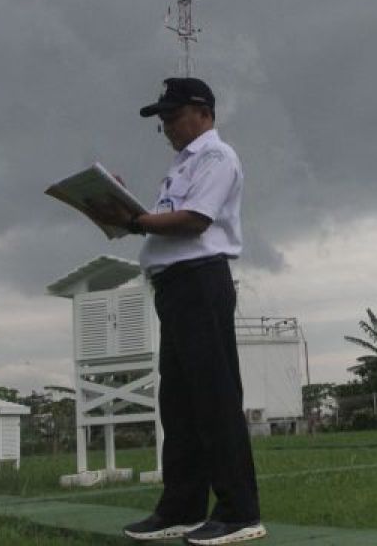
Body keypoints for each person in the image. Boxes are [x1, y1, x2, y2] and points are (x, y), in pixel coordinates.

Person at [114, 77, 266, 545]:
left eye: (173, 117)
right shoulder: (181, 167)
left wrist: (134, 220)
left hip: (201, 280)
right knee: (178, 404)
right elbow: (161, 221)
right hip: (175, 286)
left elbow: (194, 221)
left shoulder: (217, 158)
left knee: (215, 398)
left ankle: (240, 512)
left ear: (203, 112)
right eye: (162, 121)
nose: (167, 127)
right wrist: (124, 210)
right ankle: (181, 507)